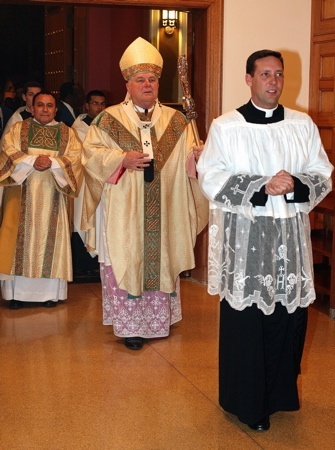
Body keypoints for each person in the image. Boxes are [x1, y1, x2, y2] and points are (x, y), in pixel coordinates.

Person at [197, 50, 333, 431]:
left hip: (290, 239)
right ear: (249, 79)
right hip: (246, 243)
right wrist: (261, 186)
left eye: (278, 74)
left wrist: (297, 183)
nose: (273, 82)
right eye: (265, 74)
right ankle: (247, 403)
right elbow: (211, 176)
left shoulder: (301, 124)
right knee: (248, 321)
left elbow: (322, 169)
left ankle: (280, 395)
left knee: (288, 318)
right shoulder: (226, 126)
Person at [82, 37, 207, 350]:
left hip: (164, 209)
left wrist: (199, 157)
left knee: (160, 256)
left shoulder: (176, 121)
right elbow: (90, 155)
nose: (148, 84)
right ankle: (130, 328)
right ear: (128, 83)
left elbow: (187, 161)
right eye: (141, 79)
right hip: (124, 209)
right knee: (127, 256)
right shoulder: (108, 119)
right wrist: (121, 159)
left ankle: (157, 322)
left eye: (152, 79)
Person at [0, 91, 82, 309]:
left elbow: (75, 159)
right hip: (21, 194)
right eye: (40, 105)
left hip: (53, 196)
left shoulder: (67, 133)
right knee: (18, 240)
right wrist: (33, 161)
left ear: (56, 109)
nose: (45, 109)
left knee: (50, 241)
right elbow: (7, 151)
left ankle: (49, 295)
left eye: (49, 106)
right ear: (32, 108)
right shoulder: (18, 129)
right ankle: (16, 295)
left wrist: (52, 164)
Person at [71, 90, 106, 280]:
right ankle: (83, 265)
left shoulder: (107, 124)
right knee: (83, 220)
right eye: (95, 103)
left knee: (100, 220)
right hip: (84, 181)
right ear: (86, 105)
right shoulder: (77, 129)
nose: (99, 107)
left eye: (102, 103)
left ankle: (97, 263)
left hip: (102, 180)